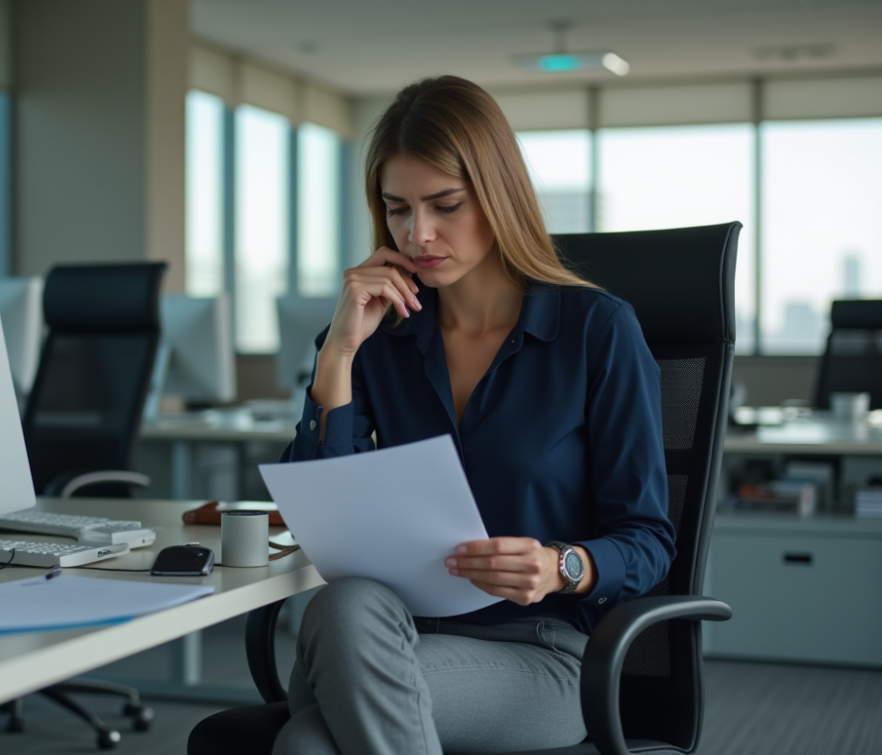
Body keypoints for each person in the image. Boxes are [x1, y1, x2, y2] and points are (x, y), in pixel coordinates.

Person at [273, 75, 676, 755]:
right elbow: (318, 517)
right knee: (340, 605)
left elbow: (649, 539)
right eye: (397, 209)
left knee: (310, 742)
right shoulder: (380, 337)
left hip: (540, 654)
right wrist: (339, 354)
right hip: (390, 629)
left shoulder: (596, 330)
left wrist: (562, 565)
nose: (418, 233)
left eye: (445, 205)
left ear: (498, 196)